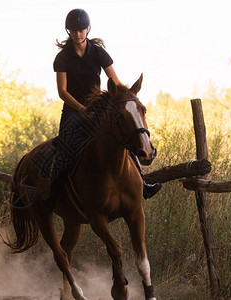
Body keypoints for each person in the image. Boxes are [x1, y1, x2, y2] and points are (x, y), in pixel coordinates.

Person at [53, 8, 161, 199]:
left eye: (81, 30)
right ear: (68, 31)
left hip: (99, 106)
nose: (78, 34)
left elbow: (116, 82)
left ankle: (142, 183)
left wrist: (129, 96)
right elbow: (62, 91)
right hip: (73, 108)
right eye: (73, 30)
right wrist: (81, 109)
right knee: (65, 143)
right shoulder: (62, 57)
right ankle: (58, 189)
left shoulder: (98, 53)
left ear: (88, 29)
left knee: (124, 135)